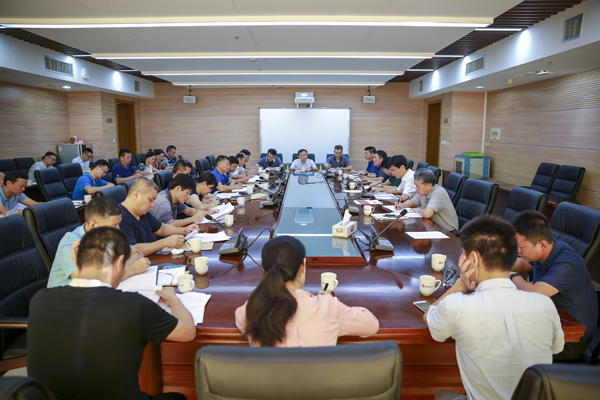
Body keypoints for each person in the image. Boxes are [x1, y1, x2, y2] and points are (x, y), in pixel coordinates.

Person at [28, 227, 195, 400]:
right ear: (119, 262)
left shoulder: (39, 300)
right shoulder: (133, 305)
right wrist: (173, 298)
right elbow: (187, 331)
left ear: (76, 259)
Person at [424, 215, 564, 400]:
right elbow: (556, 348)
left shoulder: (455, 306)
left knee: (441, 394)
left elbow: (429, 316)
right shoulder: (545, 305)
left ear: (473, 258)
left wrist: (461, 284)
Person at [236, 236, 379, 347]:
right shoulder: (328, 307)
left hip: (268, 378)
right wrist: (331, 302)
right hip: (320, 379)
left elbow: (241, 320)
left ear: (264, 270)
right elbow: (371, 325)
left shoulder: (251, 308)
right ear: (302, 267)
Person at [510, 211, 598, 362]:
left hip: (569, 340)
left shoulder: (567, 263)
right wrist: (493, 264)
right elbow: (523, 263)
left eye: (521, 247)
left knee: (505, 344)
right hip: (549, 321)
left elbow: (533, 292)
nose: (518, 251)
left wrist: (511, 275)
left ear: (542, 245)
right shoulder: (547, 250)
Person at [47, 197, 150, 288]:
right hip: (64, 300)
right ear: (93, 225)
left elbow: (137, 253)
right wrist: (131, 269)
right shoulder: (70, 244)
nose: (118, 229)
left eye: (119, 224)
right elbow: (88, 282)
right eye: (114, 225)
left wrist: (119, 268)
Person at [119, 178, 197, 255]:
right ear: (136, 195)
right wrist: (165, 242)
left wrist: (184, 230)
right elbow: (132, 250)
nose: (152, 205)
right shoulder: (120, 217)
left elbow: (161, 228)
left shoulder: (141, 211)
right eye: (150, 200)